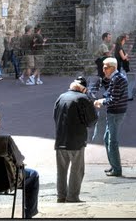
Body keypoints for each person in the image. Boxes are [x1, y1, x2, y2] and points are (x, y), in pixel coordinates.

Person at [53, 75, 97, 203]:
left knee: (61, 170)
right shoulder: (83, 99)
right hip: (76, 140)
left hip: (60, 140)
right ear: (83, 89)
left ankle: (61, 196)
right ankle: (72, 197)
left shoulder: (61, 97)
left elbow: (55, 117)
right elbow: (92, 120)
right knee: (77, 170)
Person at [94, 57, 129, 177]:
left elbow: (113, 99)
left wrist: (101, 102)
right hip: (115, 112)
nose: (103, 70)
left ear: (112, 68)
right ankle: (113, 166)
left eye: (105, 68)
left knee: (112, 141)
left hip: (115, 112)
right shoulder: (115, 78)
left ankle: (117, 169)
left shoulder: (117, 79)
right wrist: (102, 98)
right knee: (106, 139)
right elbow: (109, 93)